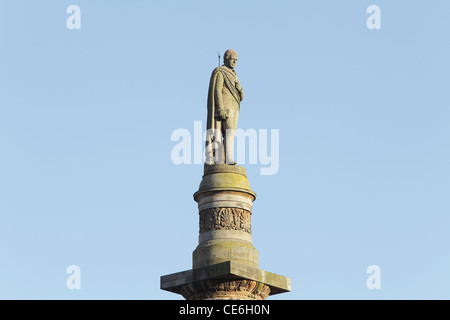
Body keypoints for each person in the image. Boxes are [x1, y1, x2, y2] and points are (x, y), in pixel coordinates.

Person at [205, 49, 244, 165]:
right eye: (232, 59)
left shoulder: (234, 75)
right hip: (226, 107)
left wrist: (239, 87)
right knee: (226, 132)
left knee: (230, 132)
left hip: (235, 107)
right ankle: (227, 157)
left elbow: (241, 96)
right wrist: (220, 108)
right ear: (226, 59)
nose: (234, 62)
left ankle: (226, 157)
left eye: (236, 60)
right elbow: (217, 90)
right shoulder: (220, 72)